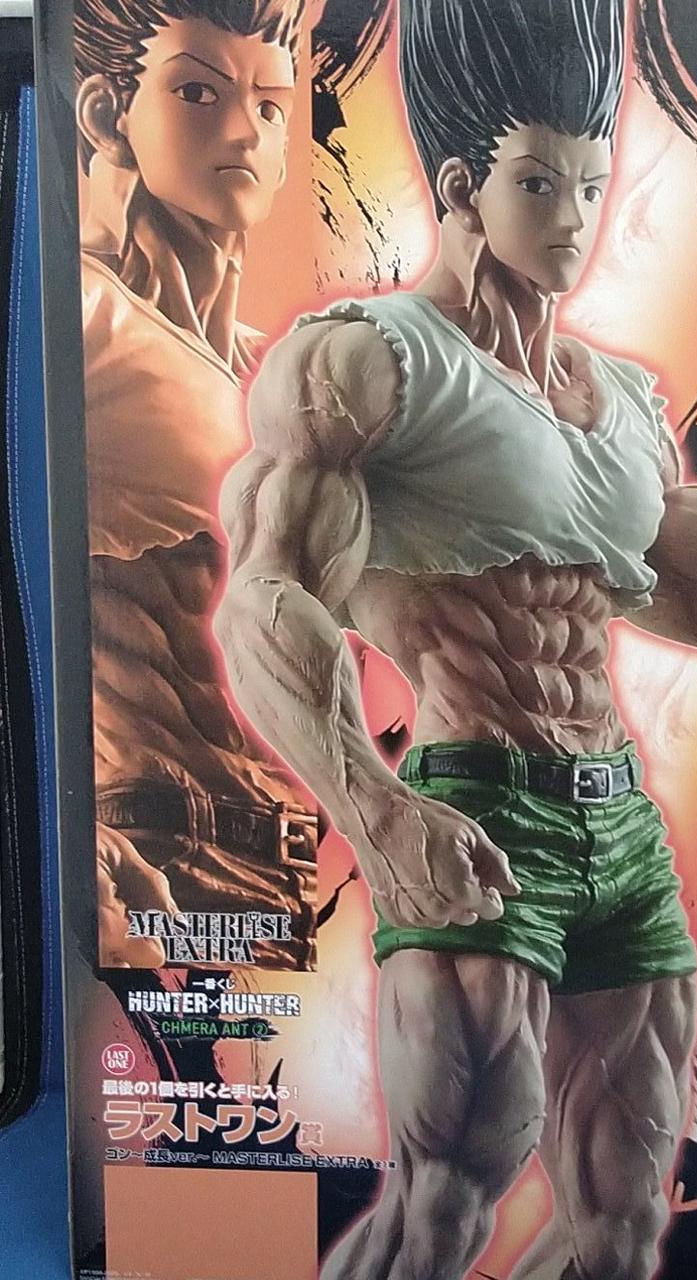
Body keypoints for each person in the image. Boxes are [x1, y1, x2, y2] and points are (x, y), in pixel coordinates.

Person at [216, 0, 697, 1275]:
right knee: (447, 1199)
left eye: (594, 185)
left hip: (619, 831)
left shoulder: (624, 412)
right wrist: (381, 816)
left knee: (619, 1220)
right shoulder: (367, 364)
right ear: (462, 186)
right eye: (539, 183)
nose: (575, 217)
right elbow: (264, 602)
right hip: (474, 809)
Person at [75, 0, 318, 969]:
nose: (244, 132)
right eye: (197, 93)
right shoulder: (77, 315)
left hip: (278, 869)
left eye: (270, 105)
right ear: (106, 115)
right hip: (145, 862)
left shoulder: (272, 370)